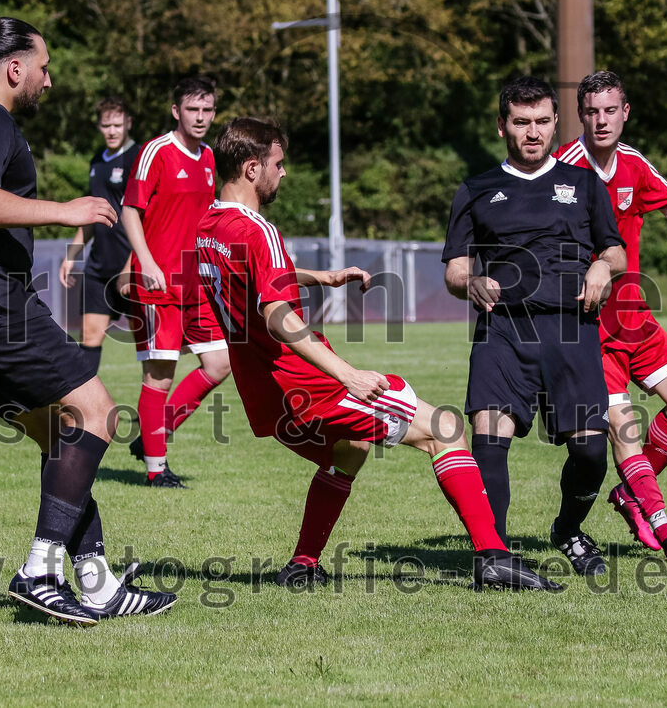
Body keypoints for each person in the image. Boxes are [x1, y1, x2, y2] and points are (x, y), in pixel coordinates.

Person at [196, 117, 561, 591]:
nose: (283, 173)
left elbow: (251, 274)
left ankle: (304, 564)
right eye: (277, 164)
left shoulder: (210, 225)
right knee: (444, 430)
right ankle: (493, 557)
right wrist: (347, 374)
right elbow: (275, 315)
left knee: (350, 449)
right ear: (251, 168)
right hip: (307, 383)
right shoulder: (258, 229)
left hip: (265, 392)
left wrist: (318, 277)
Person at [0, 16, 177, 625]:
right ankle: (41, 569)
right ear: (15, 67)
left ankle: (97, 581)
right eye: (44, 67)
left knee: (60, 435)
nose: (49, 81)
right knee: (98, 415)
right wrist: (64, 210)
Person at [442, 76, 627, 577]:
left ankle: (568, 529)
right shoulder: (476, 189)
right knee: (488, 440)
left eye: (543, 122)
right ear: (503, 125)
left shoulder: (585, 184)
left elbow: (616, 251)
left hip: (572, 330)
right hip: (503, 333)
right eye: (521, 122)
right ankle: (494, 555)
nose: (533, 132)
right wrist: (472, 282)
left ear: (554, 124)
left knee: (590, 453)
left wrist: (601, 267)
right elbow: (455, 269)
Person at [554, 70, 667, 564]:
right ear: (581, 116)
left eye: (610, 110)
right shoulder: (564, 169)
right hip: (588, 328)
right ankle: (666, 534)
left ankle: (630, 495)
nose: (601, 120)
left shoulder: (634, 164)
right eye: (592, 111)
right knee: (624, 432)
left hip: (636, 319)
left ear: (625, 114)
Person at [121, 77, 231, 488]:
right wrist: (144, 262)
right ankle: (155, 469)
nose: (200, 118)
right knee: (159, 377)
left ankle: (155, 433)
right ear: (176, 111)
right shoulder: (156, 152)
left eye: (207, 110)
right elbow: (130, 210)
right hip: (158, 283)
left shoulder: (208, 158)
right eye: (192, 110)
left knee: (220, 363)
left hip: (197, 283)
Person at [58, 97, 138, 373]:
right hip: (98, 269)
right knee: (89, 338)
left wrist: (131, 265)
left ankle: (147, 415)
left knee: (147, 348)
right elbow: (92, 214)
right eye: (107, 125)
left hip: (133, 269)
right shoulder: (96, 161)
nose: (112, 131)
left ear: (129, 123)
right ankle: (87, 412)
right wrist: (71, 256)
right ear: (100, 126)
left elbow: (147, 218)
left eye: (118, 124)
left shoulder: (138, 159)